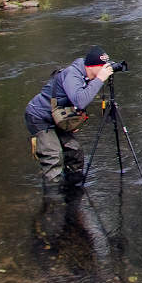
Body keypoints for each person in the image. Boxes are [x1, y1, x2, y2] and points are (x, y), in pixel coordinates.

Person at [24, 45, 114, 189]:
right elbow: (80, 100)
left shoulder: (87, 76)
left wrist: (73, 121)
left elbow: (78, 104)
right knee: (53, 157)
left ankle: (73, 191)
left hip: (59, 117)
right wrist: (100, 80)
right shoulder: (72, 75)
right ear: (91, 67)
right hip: (39, 117)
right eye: (103, 67)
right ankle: (53, 197)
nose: (106, 70)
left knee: (74, 152)